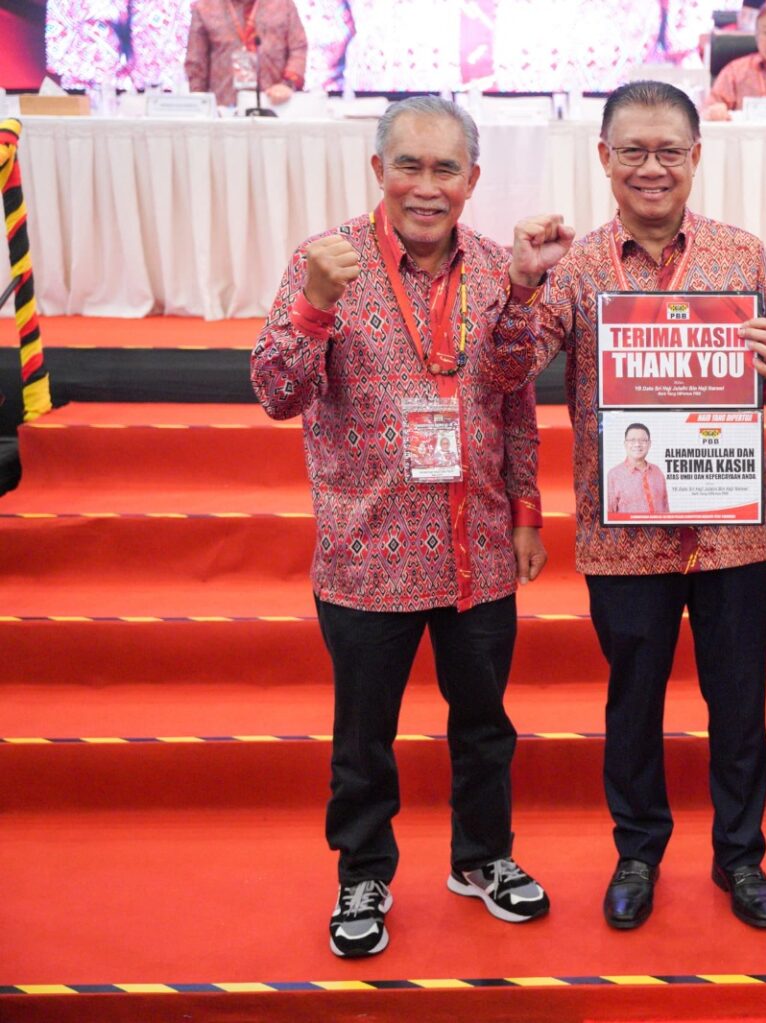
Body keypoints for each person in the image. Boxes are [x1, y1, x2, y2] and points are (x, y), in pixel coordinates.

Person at [251, 96, 550, 959]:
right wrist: (313, 305)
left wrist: (526, 511)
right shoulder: (327, 263)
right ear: (378, 169)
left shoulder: (496, 269)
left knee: (485, 724)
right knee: (364, 736)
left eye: (445, 168)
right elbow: (276, 393)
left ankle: (482, 856)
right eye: (409, 166)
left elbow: (516, 401)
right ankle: (363, 872)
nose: (427, 186)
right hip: (366, 551)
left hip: (476, 548)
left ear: (472, 179)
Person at [494, 81, 766, 931]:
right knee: (634, 702)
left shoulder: (743, 256)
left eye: (669, 152)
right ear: (604, 158)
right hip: (623, 533)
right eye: (633, 151)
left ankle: (741, 855)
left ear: (696, 157)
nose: (652, 168)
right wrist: (520, 287)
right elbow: (510, 369)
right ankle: (638, 851)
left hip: (729, 530)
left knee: (740, 703)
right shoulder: (576, 266)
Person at [185, 0, 308, 107]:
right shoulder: (206, 7)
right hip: (224, 107)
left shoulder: (282, 4)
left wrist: (287, 85)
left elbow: (298, 47)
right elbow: (196, 61)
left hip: (274, 103)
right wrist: (200, 105)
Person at [607, 422, 670, 515]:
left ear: (649, 444)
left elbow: (665, 508)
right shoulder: (614, 475)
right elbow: (609, 514)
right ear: (625, 444)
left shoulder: (657, 471)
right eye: (632, 440)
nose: (637, 444)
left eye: (643, 440)